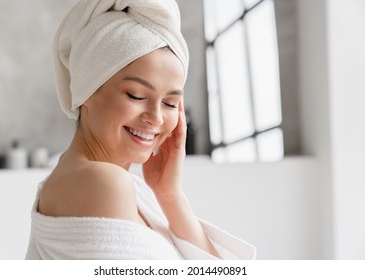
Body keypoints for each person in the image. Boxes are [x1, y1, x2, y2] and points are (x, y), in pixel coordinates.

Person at [25, 0, 256, 260]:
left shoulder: (108, 181)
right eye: (135, 95)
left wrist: (169, 194)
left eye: (170, 103)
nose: (155, 118)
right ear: (85, 89)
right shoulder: (103, 183)